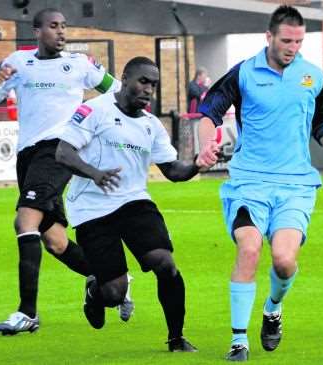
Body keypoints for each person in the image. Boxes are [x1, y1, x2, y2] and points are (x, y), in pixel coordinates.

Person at [197, 5, 323, 362]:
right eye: (286, 40)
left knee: (284, 261)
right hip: (249, 182)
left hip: (296, 185)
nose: (293, 47)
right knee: (249, 248)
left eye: (298, 41)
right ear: (269, 37)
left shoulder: (312, 77)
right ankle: (239, 341)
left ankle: (272, 309)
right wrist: (209, 142)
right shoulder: (244, 73)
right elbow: (210, 111)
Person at [0, 8, 134, 336]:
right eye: (53, 26)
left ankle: (27, 313)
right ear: (37, 31)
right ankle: (113, 276)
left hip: (59, 150)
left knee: (25, 220)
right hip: (28, 155)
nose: (61, 32)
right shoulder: (19, 62)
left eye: (64, 26)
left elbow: (117, 91)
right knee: (55, 241)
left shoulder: (80, 64)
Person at [55, 56, 199, 352]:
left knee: (165, 263)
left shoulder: (151, 125)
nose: (149, 90)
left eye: (154, 85)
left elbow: (173, 171)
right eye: (143, 81)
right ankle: (96, 291)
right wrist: (95, 174)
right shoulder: (95, 110)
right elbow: (63, 153)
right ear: (125, 78)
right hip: (91, 208)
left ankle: (176, 338)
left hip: (134, 202)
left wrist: (199, 164)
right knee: (115, 293)